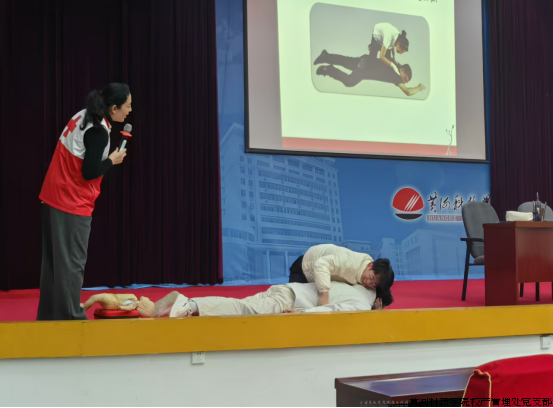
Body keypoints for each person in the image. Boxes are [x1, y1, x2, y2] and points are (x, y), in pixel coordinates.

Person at [37, 83, 132, 321]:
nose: (130, 110)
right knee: (72, 264)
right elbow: (89, 172)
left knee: (53, 264)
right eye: (128, 105)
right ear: (114, 108)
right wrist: (112, 160)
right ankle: (71, 319)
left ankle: (48, 318)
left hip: (53, 196)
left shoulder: (83, 115)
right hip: (70, 202)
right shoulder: (99, 131)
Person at [153, 281, 385, 319]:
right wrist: (304, 313)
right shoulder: (362, 303)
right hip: (290, 301)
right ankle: (189, 304)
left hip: (287, 289)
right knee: (242, 309)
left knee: (241, 307)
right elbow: (333, 310)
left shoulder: (356, 283)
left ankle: (187, 305)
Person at [289, 244, 395, 308]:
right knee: (292, 302)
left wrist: (375, 310)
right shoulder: (349, 262)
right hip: (305, 267)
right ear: (370, 265)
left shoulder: (370, 278)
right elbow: (321, 264)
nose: (368, 283)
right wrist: (324, 294)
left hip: (321, 275)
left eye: (374, 284)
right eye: (371, 278)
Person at [314, 50, 425, 97]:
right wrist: (419, 88)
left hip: (365, 60)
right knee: (349, 81)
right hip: (364, 70)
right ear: (402, 71)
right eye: (405, 79)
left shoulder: (393, 62)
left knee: (345, 61)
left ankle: (326, 56)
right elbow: (408, 92)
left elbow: (387, 50)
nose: (404, 82)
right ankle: (328, 70)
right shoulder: (397, 76)